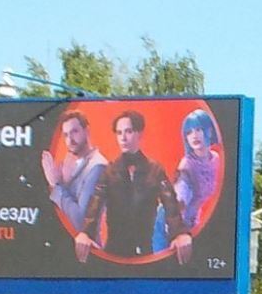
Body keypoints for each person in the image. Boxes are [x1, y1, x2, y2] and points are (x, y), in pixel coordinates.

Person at [75, 110, 192, 263]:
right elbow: (95, 205)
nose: (123, 138)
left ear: (139, 134)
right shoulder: (109, 171)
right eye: (119, 133)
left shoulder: (155, 170)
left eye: (128, 131)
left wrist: (179, 233)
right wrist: (86, 233)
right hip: (114, 254)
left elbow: (171, 205)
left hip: (145, 253)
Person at [40, 109, 107, 234]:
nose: (70, 140)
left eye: (74, 132)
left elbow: (81, 221)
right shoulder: (77, 165)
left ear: (86, 131)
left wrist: (56, 186)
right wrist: (63, 183)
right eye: (66, 135)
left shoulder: (97, 167)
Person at [173, 108, 222, 232]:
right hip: (177, 224)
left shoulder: (216, 159)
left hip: (194, 221)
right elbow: (179, 201)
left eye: (198, 129)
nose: (194, 136)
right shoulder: (187, 164)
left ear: (209, 131)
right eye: (189, 132)